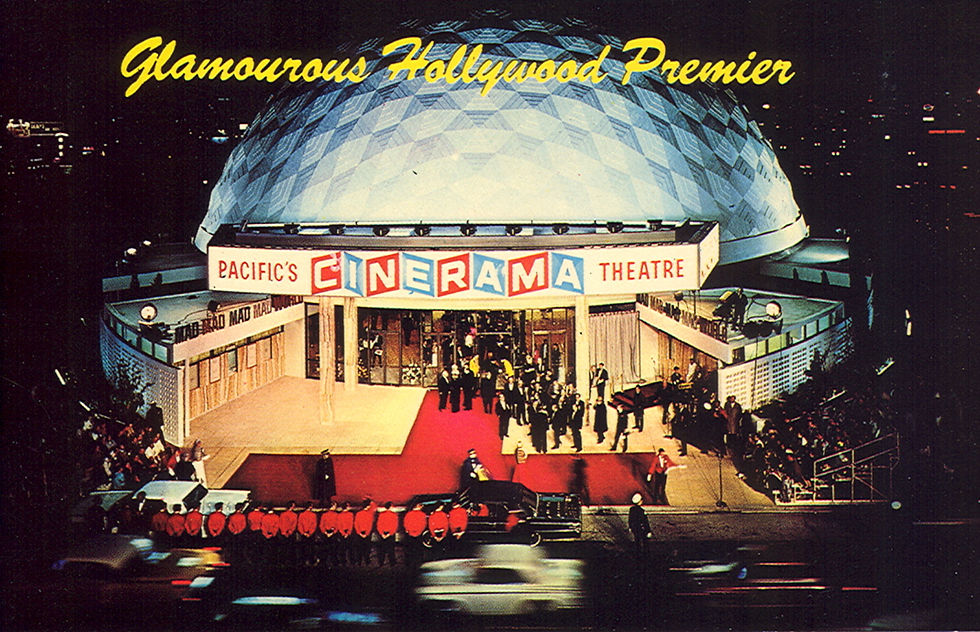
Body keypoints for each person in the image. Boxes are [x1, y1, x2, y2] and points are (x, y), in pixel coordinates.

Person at [627, 492, 652, 558]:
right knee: (645, 541)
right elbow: (645, 522)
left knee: (637, 540)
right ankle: (645, 554)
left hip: (635, 528)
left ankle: (637, 553)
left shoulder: (631, 510)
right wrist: (648, 531)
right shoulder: (642, 511)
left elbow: (630, 519)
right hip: (642, 529)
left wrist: (630, 527)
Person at [375, 502, 399, 566]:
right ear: (391, 507)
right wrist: (390, 533)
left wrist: (381, 533)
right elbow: (395, 526)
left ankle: (381, 562)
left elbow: (378, 525)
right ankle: (392, 562)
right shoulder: (394, 515)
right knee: (391, 549)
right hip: (390, 534)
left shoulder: (381, 515)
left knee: (382, 549)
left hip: (383, 534)